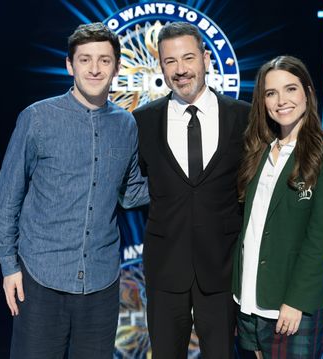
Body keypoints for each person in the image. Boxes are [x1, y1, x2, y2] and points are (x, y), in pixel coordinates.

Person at [0, 22, 148, 359]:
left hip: (101, 283)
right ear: (69, 65)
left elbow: (131, 192)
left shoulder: (126, 124)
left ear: (117, 67)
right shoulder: (38, 118)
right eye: (85, 59)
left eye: (104, 60)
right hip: (40, 277)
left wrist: (188, 183)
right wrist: (8, 266)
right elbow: (7, 197)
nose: (95, 68)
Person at [133, 22, 250, 358]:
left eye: (188, 58)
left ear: (207, 59)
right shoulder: (142, 121)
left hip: (223, 269)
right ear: (161, 67)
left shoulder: (243, 117)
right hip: (165, 269)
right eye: (170, 61)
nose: (181, 70)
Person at [232, 55, 323, 358]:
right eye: (271, 93)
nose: (281, 100)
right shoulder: (257, 151)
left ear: (308, 92)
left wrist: (296, 301)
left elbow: (321, 239)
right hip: (246, 302)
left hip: (290, 308)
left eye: (290, 89)